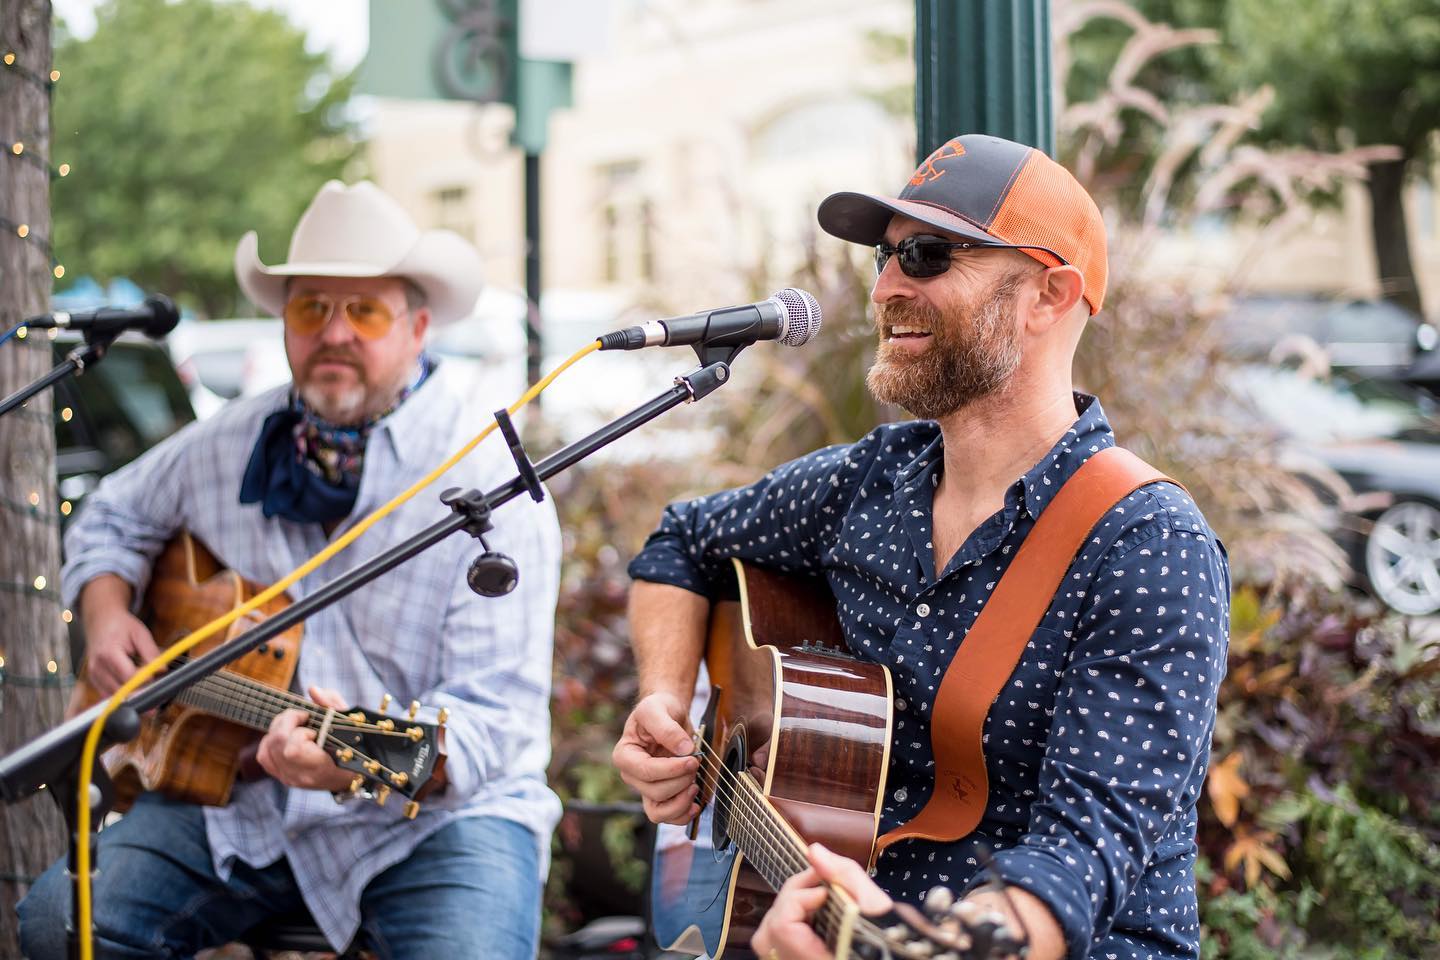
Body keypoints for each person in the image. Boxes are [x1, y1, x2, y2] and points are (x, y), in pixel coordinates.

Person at [613, 134, 1230, 960]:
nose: (886, 289)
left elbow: (1083, 854)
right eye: (886, 257)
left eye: (929, 256)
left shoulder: (1147, 546)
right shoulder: (871, 480)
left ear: (1049, 295)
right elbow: (680, 541)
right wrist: (666, 705)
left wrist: (935, 943)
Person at [18, 181, 562, 959]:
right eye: (310, 308)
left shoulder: (491, 482)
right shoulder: (230, 439)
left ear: (417, 328)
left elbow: (491, 725)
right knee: (63, 925)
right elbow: (111, 515)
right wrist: (107, 617)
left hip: (441, 822)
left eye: (363, 311)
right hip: (246, 800)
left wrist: (345, 765)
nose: (333, 333)